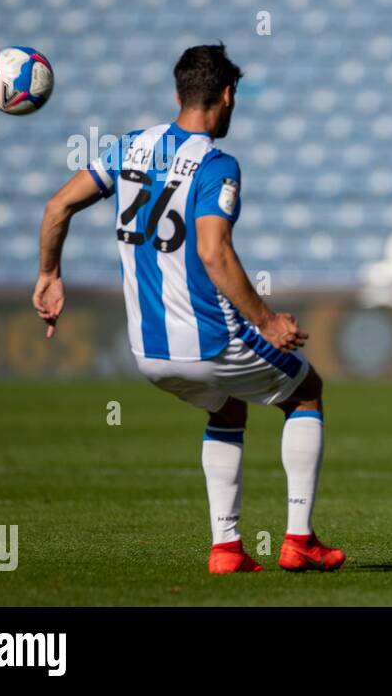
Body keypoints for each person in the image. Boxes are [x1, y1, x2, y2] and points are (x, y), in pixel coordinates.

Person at [32, 43, 345, 574]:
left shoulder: (128, 148)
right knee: (306, 392)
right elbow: (212, 251)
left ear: (178, 94)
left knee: (226, 407)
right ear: (227, 96)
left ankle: (226, 550)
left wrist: (48, 274)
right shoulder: (218, 165)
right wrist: (268, 321)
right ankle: (299, 540)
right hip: (209, 339)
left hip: (149, 352)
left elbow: (57, 205)